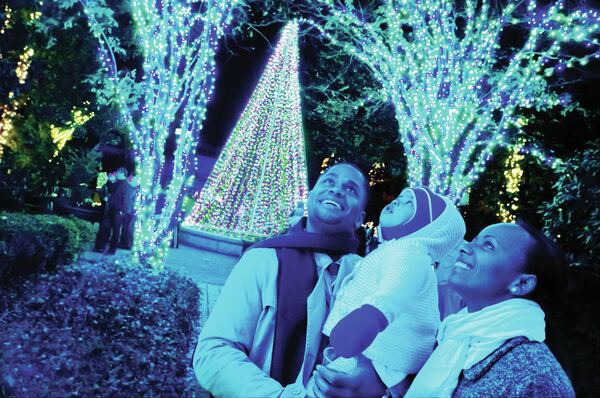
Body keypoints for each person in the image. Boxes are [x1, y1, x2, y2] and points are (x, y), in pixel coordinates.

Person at [193, 163, 377, 397]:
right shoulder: (262, 260)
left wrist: (370, 381)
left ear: (360, 218)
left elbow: (387, 358)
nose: (337, 190)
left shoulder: (369, 275)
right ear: (310, 197)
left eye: (351, 189)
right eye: (329, 182)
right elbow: (215, 351)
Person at [311, 187, 466, 395]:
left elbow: (395, 289)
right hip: (371, 350)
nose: (397, 201)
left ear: (429, 224)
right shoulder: (395, 249)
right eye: (400, 196)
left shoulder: (410, 253)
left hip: (381, 355)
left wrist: (371, 316)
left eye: (410, 203)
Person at [405, 222, 575, 397]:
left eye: (488, 245)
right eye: (474, 240)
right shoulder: (454, 335)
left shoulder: (535, 377)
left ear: (521, 284)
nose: (465, 247)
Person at [93, 171, 117, 253]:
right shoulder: (106, 185)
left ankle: (101, 246)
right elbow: (99, 193)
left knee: (105, 229)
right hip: (105, 210)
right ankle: (99, 246)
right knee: (104, 228)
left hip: (109, 210)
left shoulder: (114, 185)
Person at [106, 167, 128, 255]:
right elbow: (111, 190)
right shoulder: (117, 182)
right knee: (107, 227)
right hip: (112, 209)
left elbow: (126, 198)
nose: (117, 174)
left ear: (123, 174)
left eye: (118, 173)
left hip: (118, 211)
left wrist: (123, 211)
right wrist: (110, 181)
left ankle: (112, 250)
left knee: (116, 230)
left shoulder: (126, 185)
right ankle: (105, 247)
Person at [119, 175, 139, 250]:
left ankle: (128, 244)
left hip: (132, 210)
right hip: (128, 209)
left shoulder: (133, 189)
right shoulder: (130, 188)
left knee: (129, 227)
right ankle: (125, 243)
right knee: (126, 227)